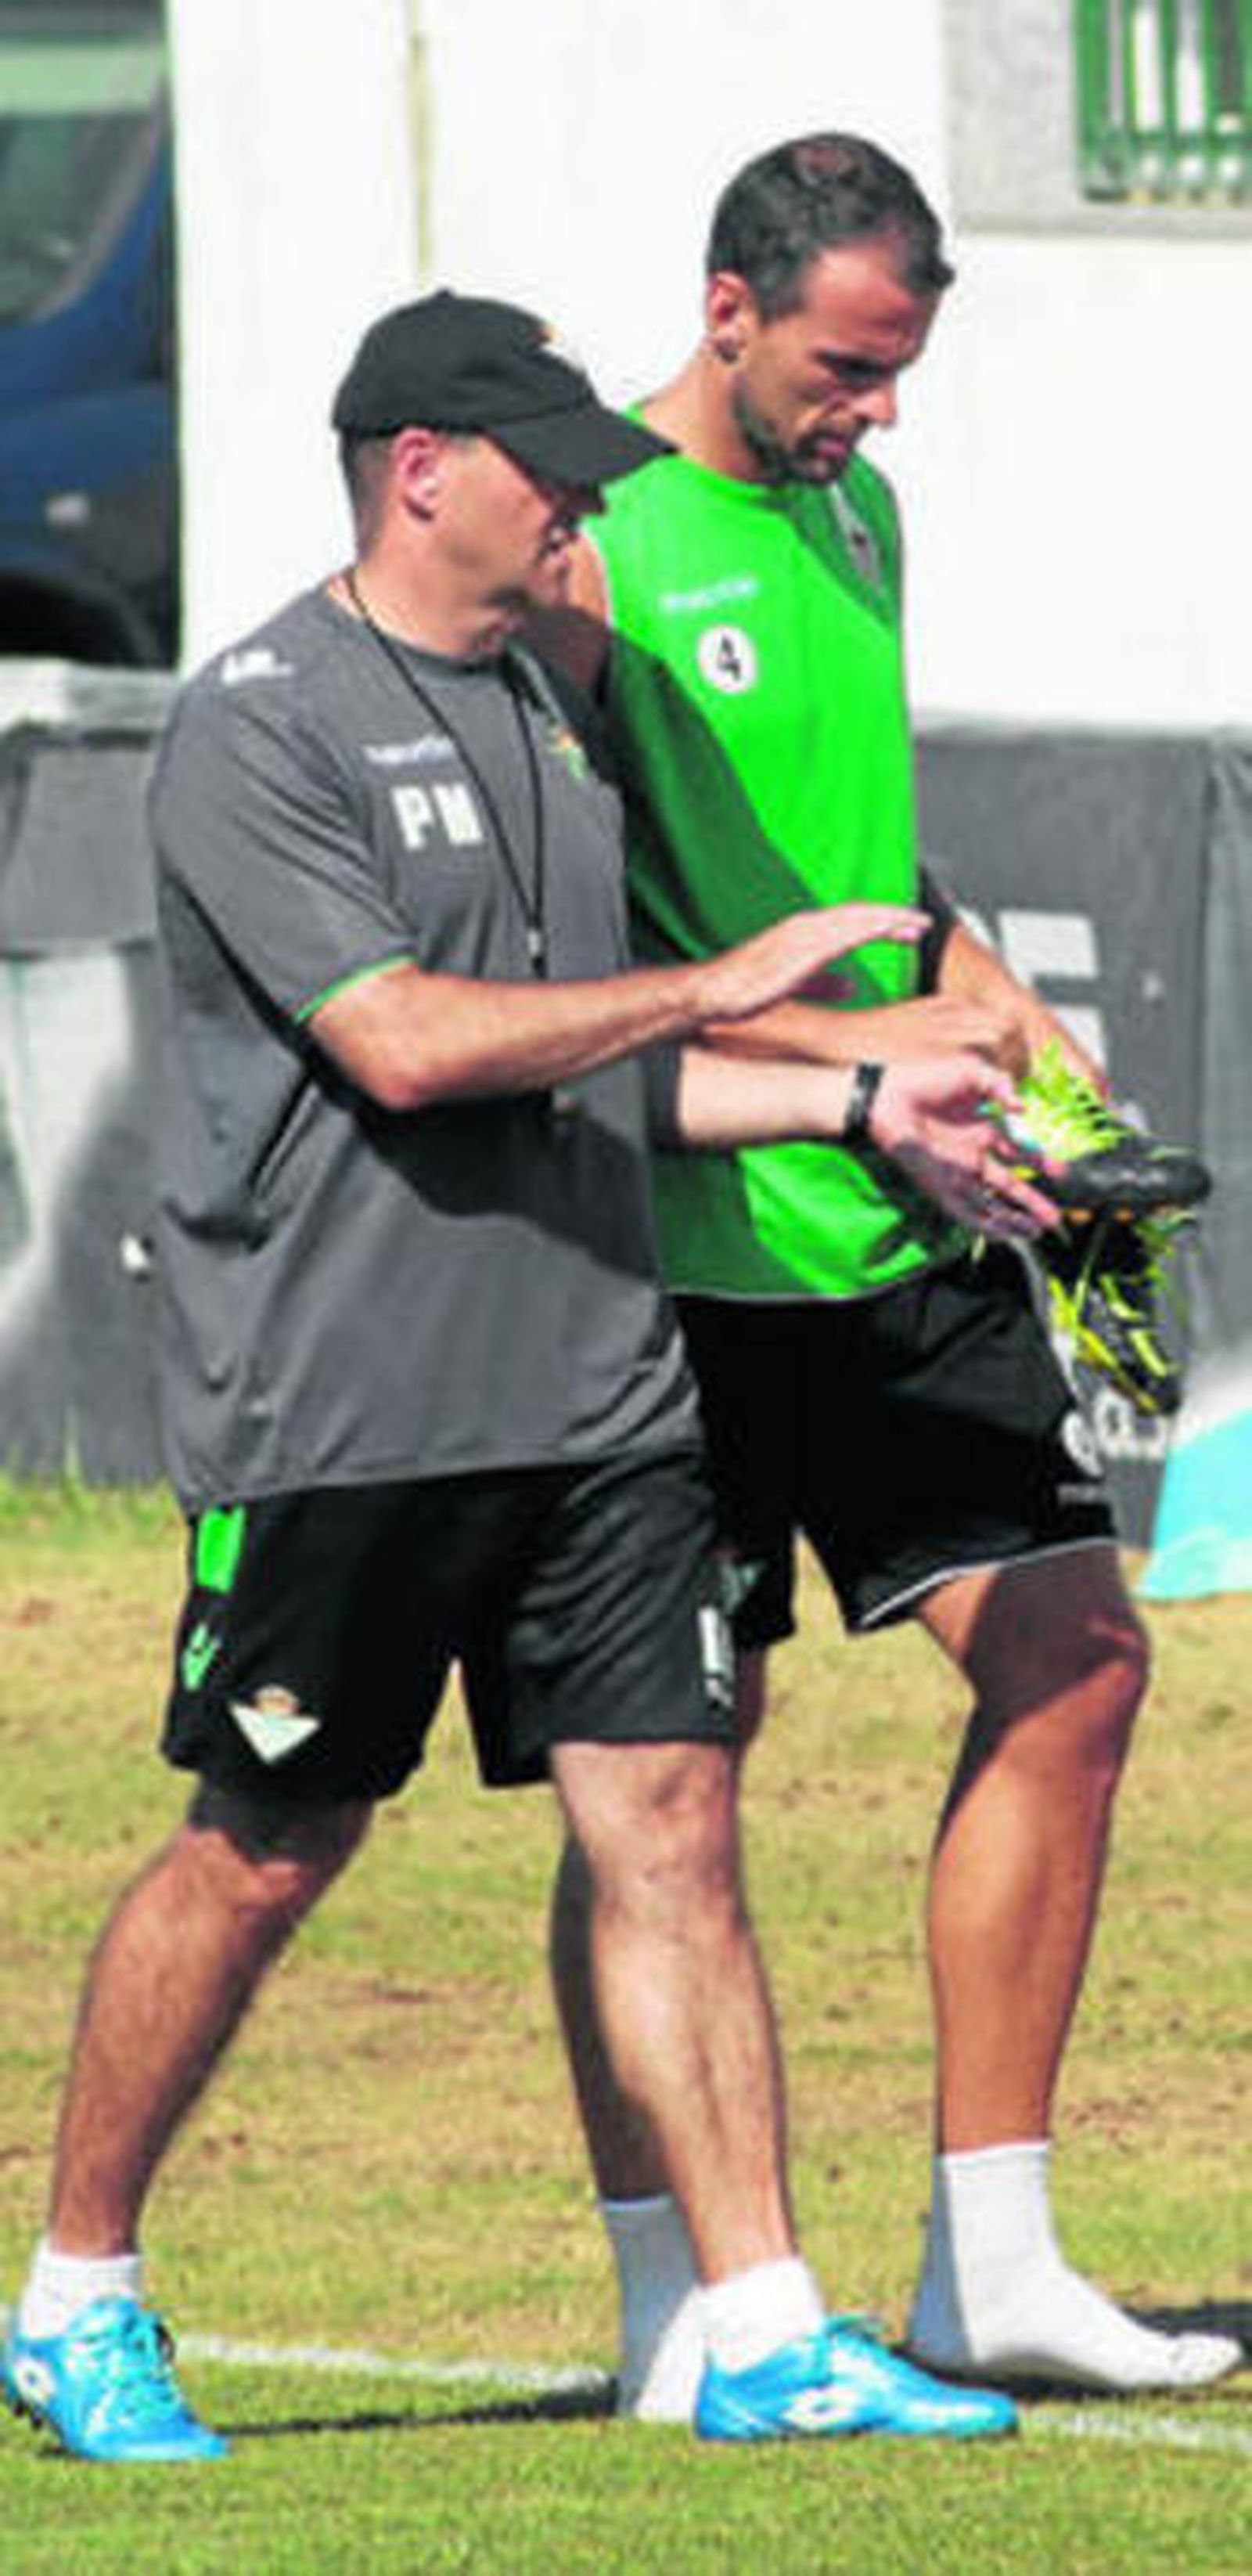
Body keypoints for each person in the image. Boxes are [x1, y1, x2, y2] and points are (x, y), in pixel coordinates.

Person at [0, 290, 1051, 2464]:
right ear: (420, 471)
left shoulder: (560, 715)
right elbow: (406, 1044)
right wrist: (739, 981)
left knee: (672, 1816)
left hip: (600, 1394)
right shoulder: (259, 725)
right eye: (545, 469)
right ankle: (77, 2287)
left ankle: (761, 2316)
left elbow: (612, 1092)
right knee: (272, 1844)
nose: (582, 501)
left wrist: (864, 1111)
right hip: (347, 1408)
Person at [533, 136, 1244, 2412]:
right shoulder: (595, 551)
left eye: (903, 368)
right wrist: (864, 1066)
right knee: (669, 1775)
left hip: (906, 1214)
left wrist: (1025, 1061)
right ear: (726, 309)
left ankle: (995, 2263)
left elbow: (856, 862)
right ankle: (684, 2297)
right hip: (682, 1250)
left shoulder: (858, 514)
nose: (881, 413)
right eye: (848, 367)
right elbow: (595, 956)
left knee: (1074, 1660)